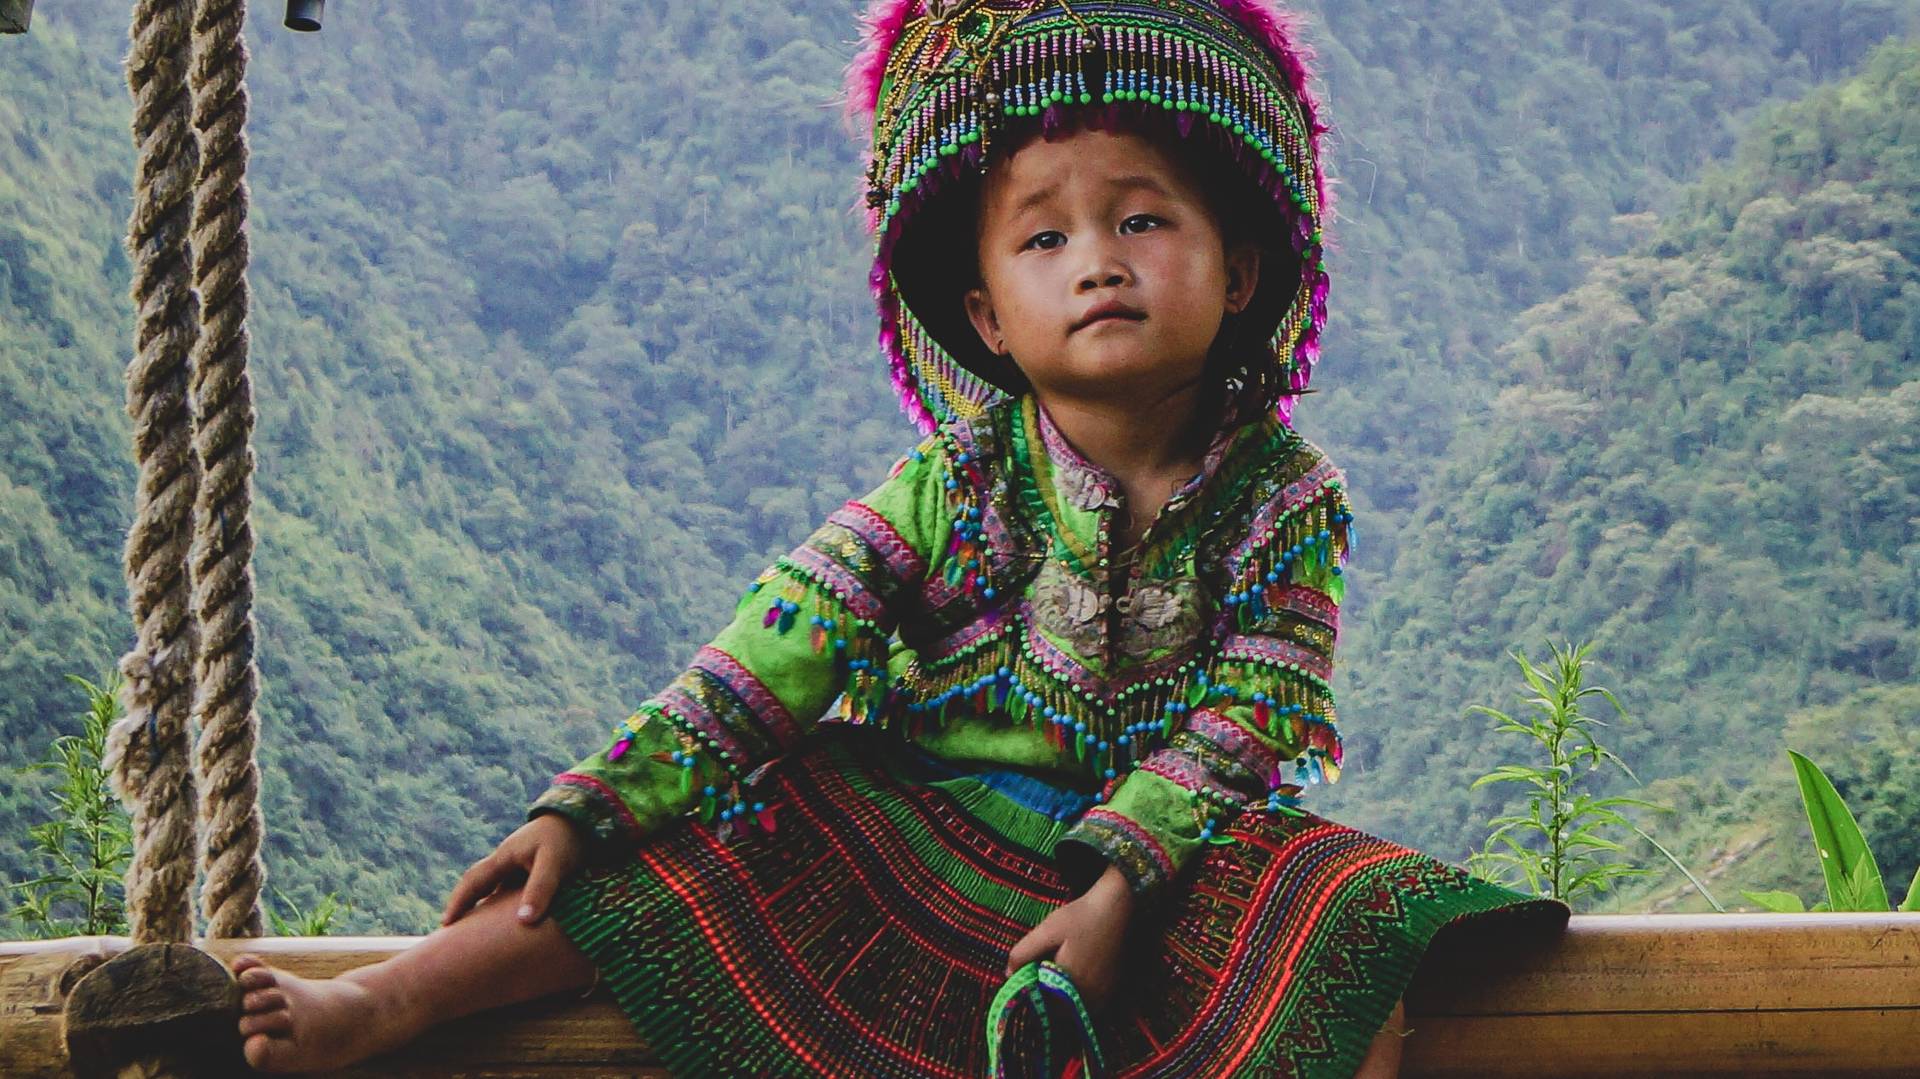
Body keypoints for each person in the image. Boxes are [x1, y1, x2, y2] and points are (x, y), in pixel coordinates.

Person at [230, 1, 1571, 1075]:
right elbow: (785, 644)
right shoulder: (956, 481)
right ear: (988, 318)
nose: (1098, 259)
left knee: (1357, 933)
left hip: (1186, 857)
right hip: (934, 822)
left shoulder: (1285, 492)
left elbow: (1258, 710)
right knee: (696, 854)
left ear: (1244, 270)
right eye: (1044, 238)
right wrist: (595, 801)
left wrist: (1115, 885)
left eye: (1143, 217)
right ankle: (381, 1008)